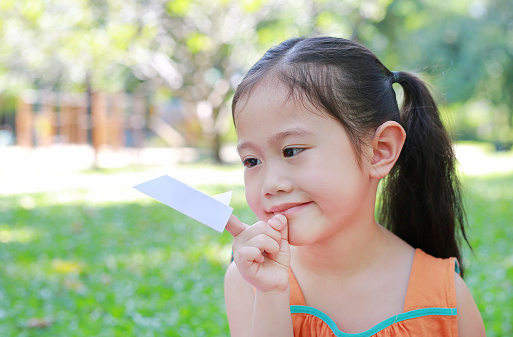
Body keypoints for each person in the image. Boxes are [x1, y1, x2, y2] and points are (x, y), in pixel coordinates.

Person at [224, 36, 486, 337]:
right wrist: (271, 296)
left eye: (292, 151)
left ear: (380, 150)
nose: (270, 185)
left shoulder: (448, 299)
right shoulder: (250, 280)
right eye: (251, 161)